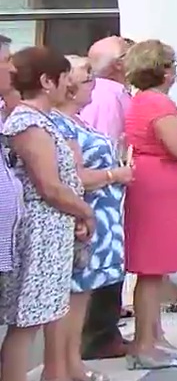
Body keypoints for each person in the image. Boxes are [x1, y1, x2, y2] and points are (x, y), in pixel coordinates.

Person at [0, 47, 94, 381]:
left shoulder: (42, 120)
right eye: (65, 79)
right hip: (38, 231)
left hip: (53, 229)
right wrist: (86, 212)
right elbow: (49, 186)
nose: (69, 87)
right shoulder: (28, 122)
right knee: (26, 321)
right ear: (46, 81)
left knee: (40, 314)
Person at [122, 40, 177, 368]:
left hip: (158, 188)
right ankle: (144, 345)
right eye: (171, 65)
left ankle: (155, 338)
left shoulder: (145, 100)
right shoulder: (157, 104)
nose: (175, 72)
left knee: (155, 270)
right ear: (162, 69)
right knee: (150, 270)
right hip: (156, 190)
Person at [46, 56, 131, 381]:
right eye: (87, 79)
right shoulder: (59, 124)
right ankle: (63, 366)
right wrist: (114, 174)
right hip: (82, 214)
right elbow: (72, 176)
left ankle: (73, 364)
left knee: (84, 292)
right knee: (71, 293)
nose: (94, 85)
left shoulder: (80, 122)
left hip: (102, 214)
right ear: (67, 85)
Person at [77, 36, 132, 361]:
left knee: (107, 265)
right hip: (101, 194)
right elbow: (107, 146)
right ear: (119, 63)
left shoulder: (111, 93)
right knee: (103, 265)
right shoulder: (107, 96)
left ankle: (104, 330)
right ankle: (100, 335)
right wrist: (117, 175)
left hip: (106, 192)